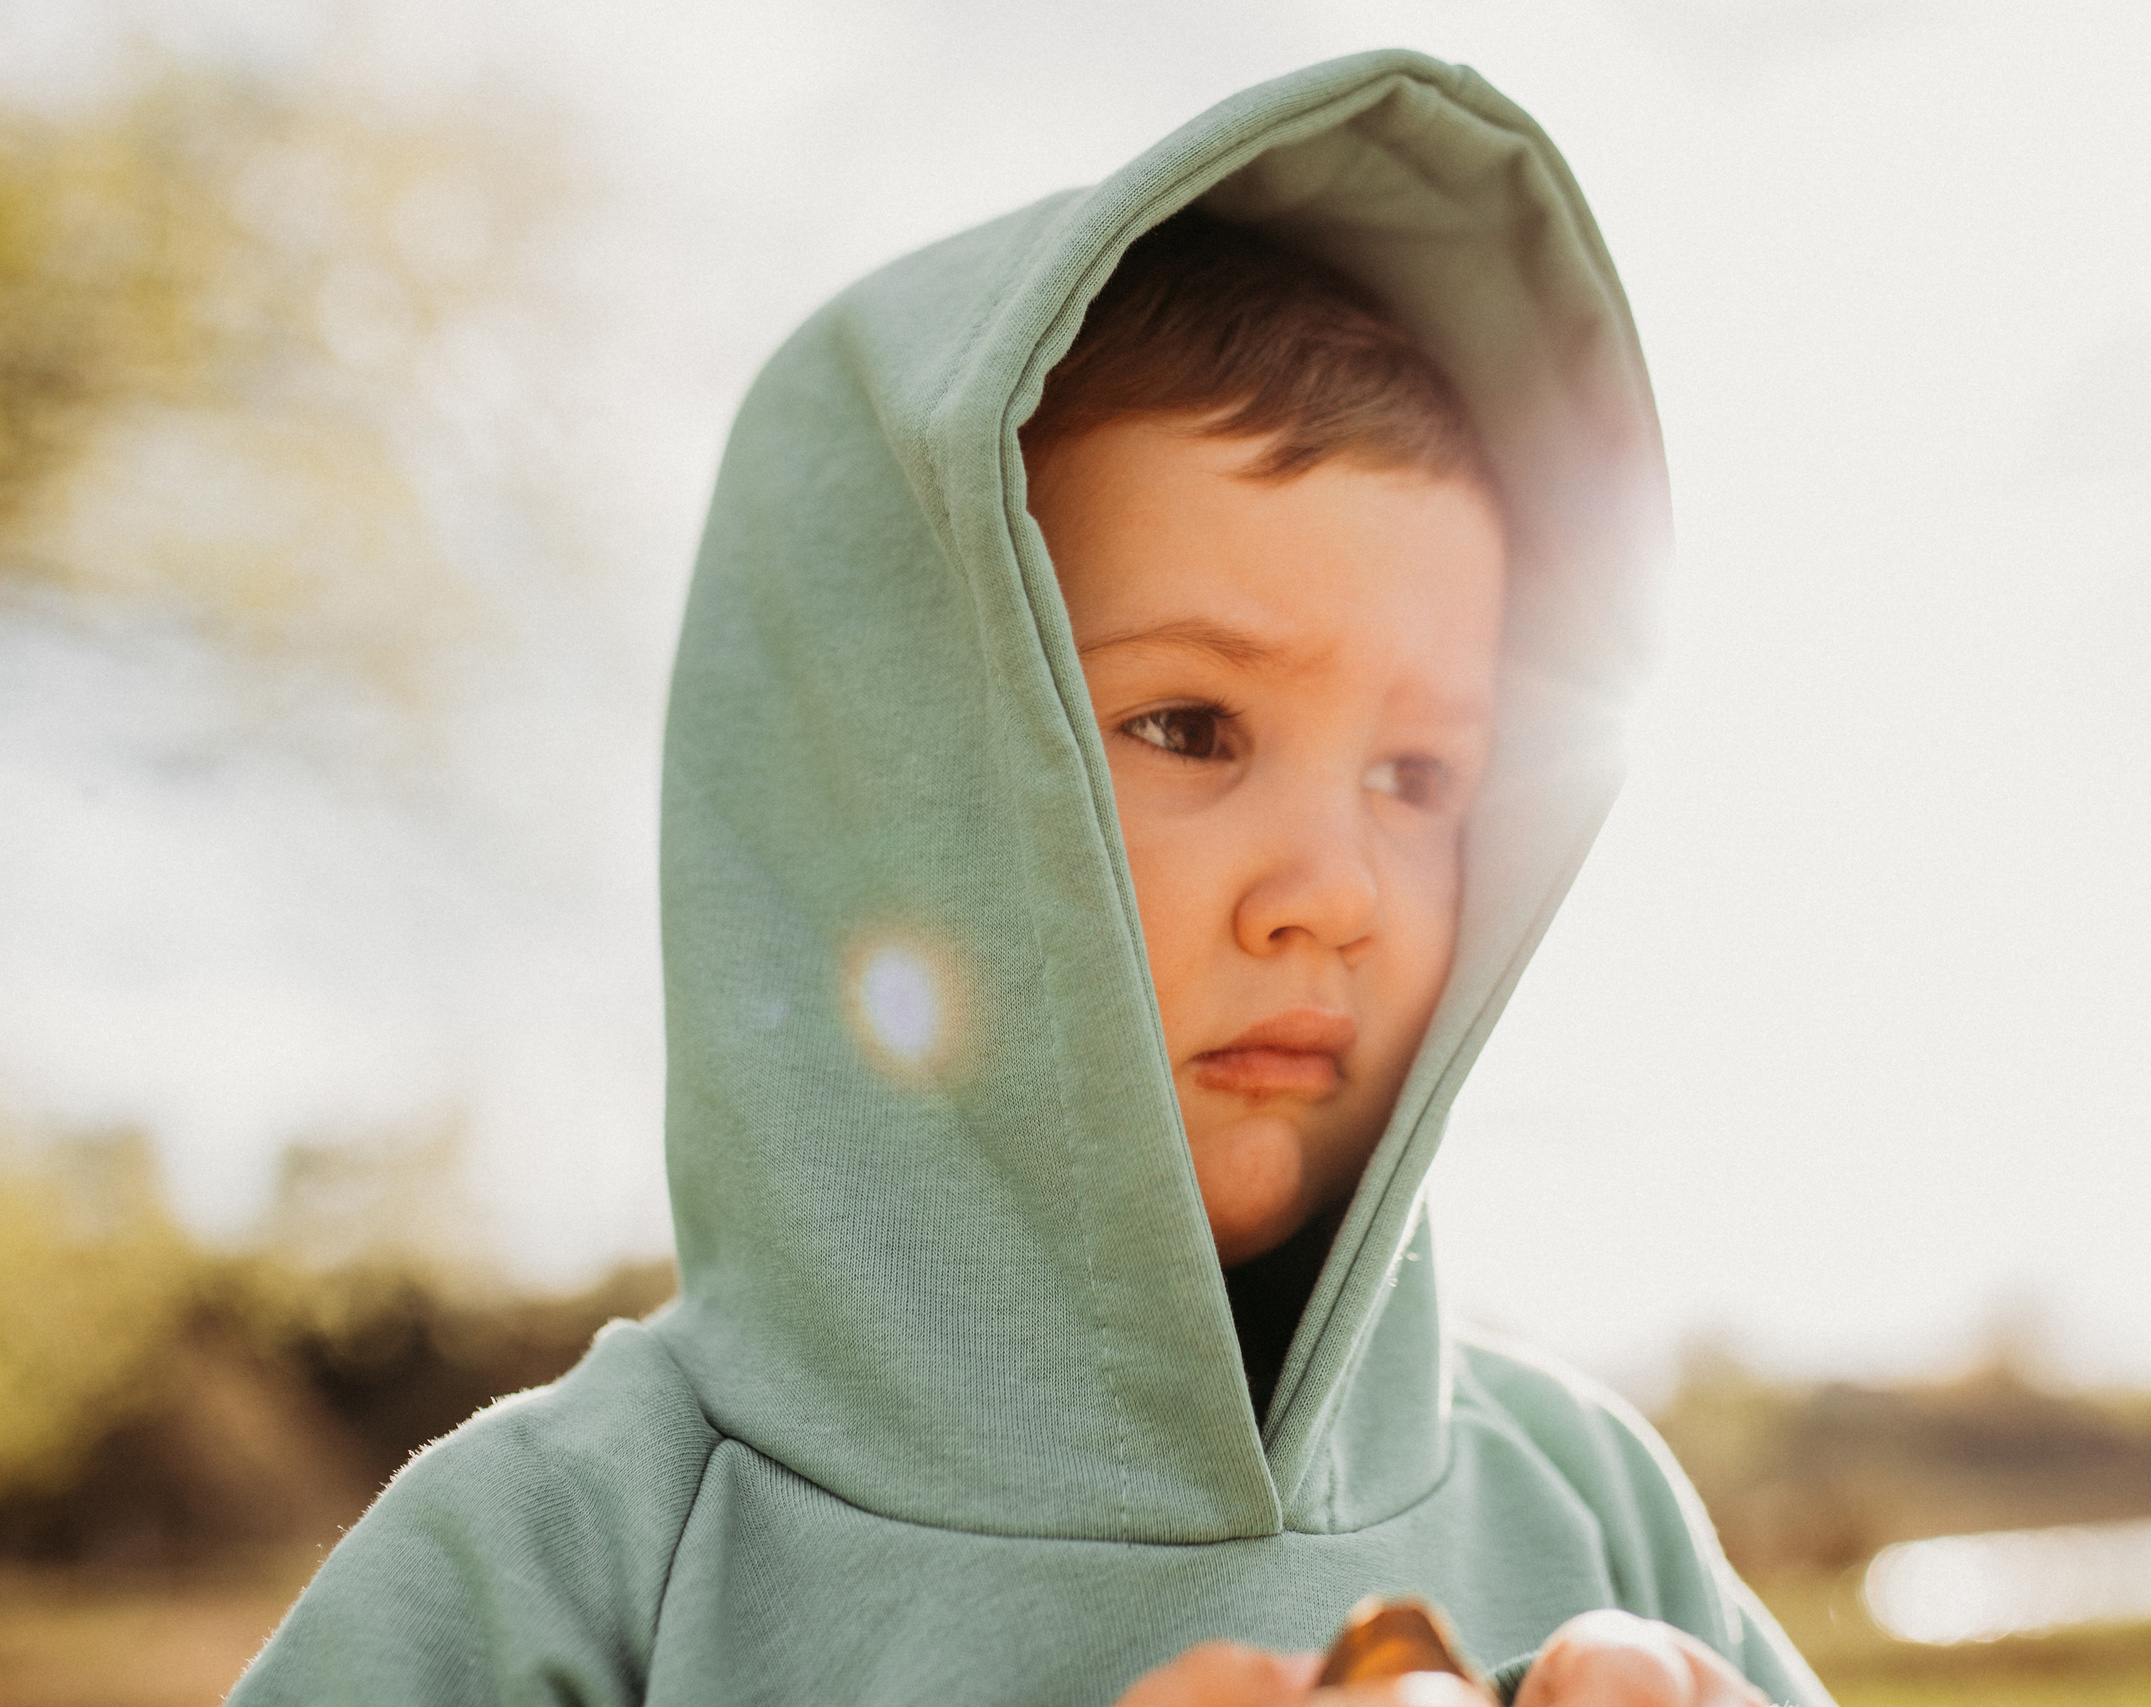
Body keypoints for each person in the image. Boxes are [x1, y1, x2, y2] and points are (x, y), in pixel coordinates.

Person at [227, 50, 1834, 1707]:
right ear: (881, 790)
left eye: (1420, 777)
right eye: (1191, 727)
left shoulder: (1596, 1508)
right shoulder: (559, 1565)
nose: (1336, 894)